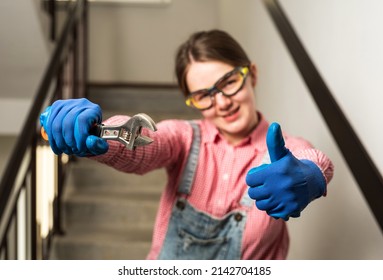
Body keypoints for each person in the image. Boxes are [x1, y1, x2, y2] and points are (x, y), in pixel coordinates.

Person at [40, 29, 334, 260]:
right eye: (204, 95)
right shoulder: (183, 137)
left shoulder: (281, 151)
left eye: (229, 82)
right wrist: (97, 134)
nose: (221, 102)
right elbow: (147, 145)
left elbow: (311, 157)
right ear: (192, 101)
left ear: (252, 74)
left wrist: (309, 175)